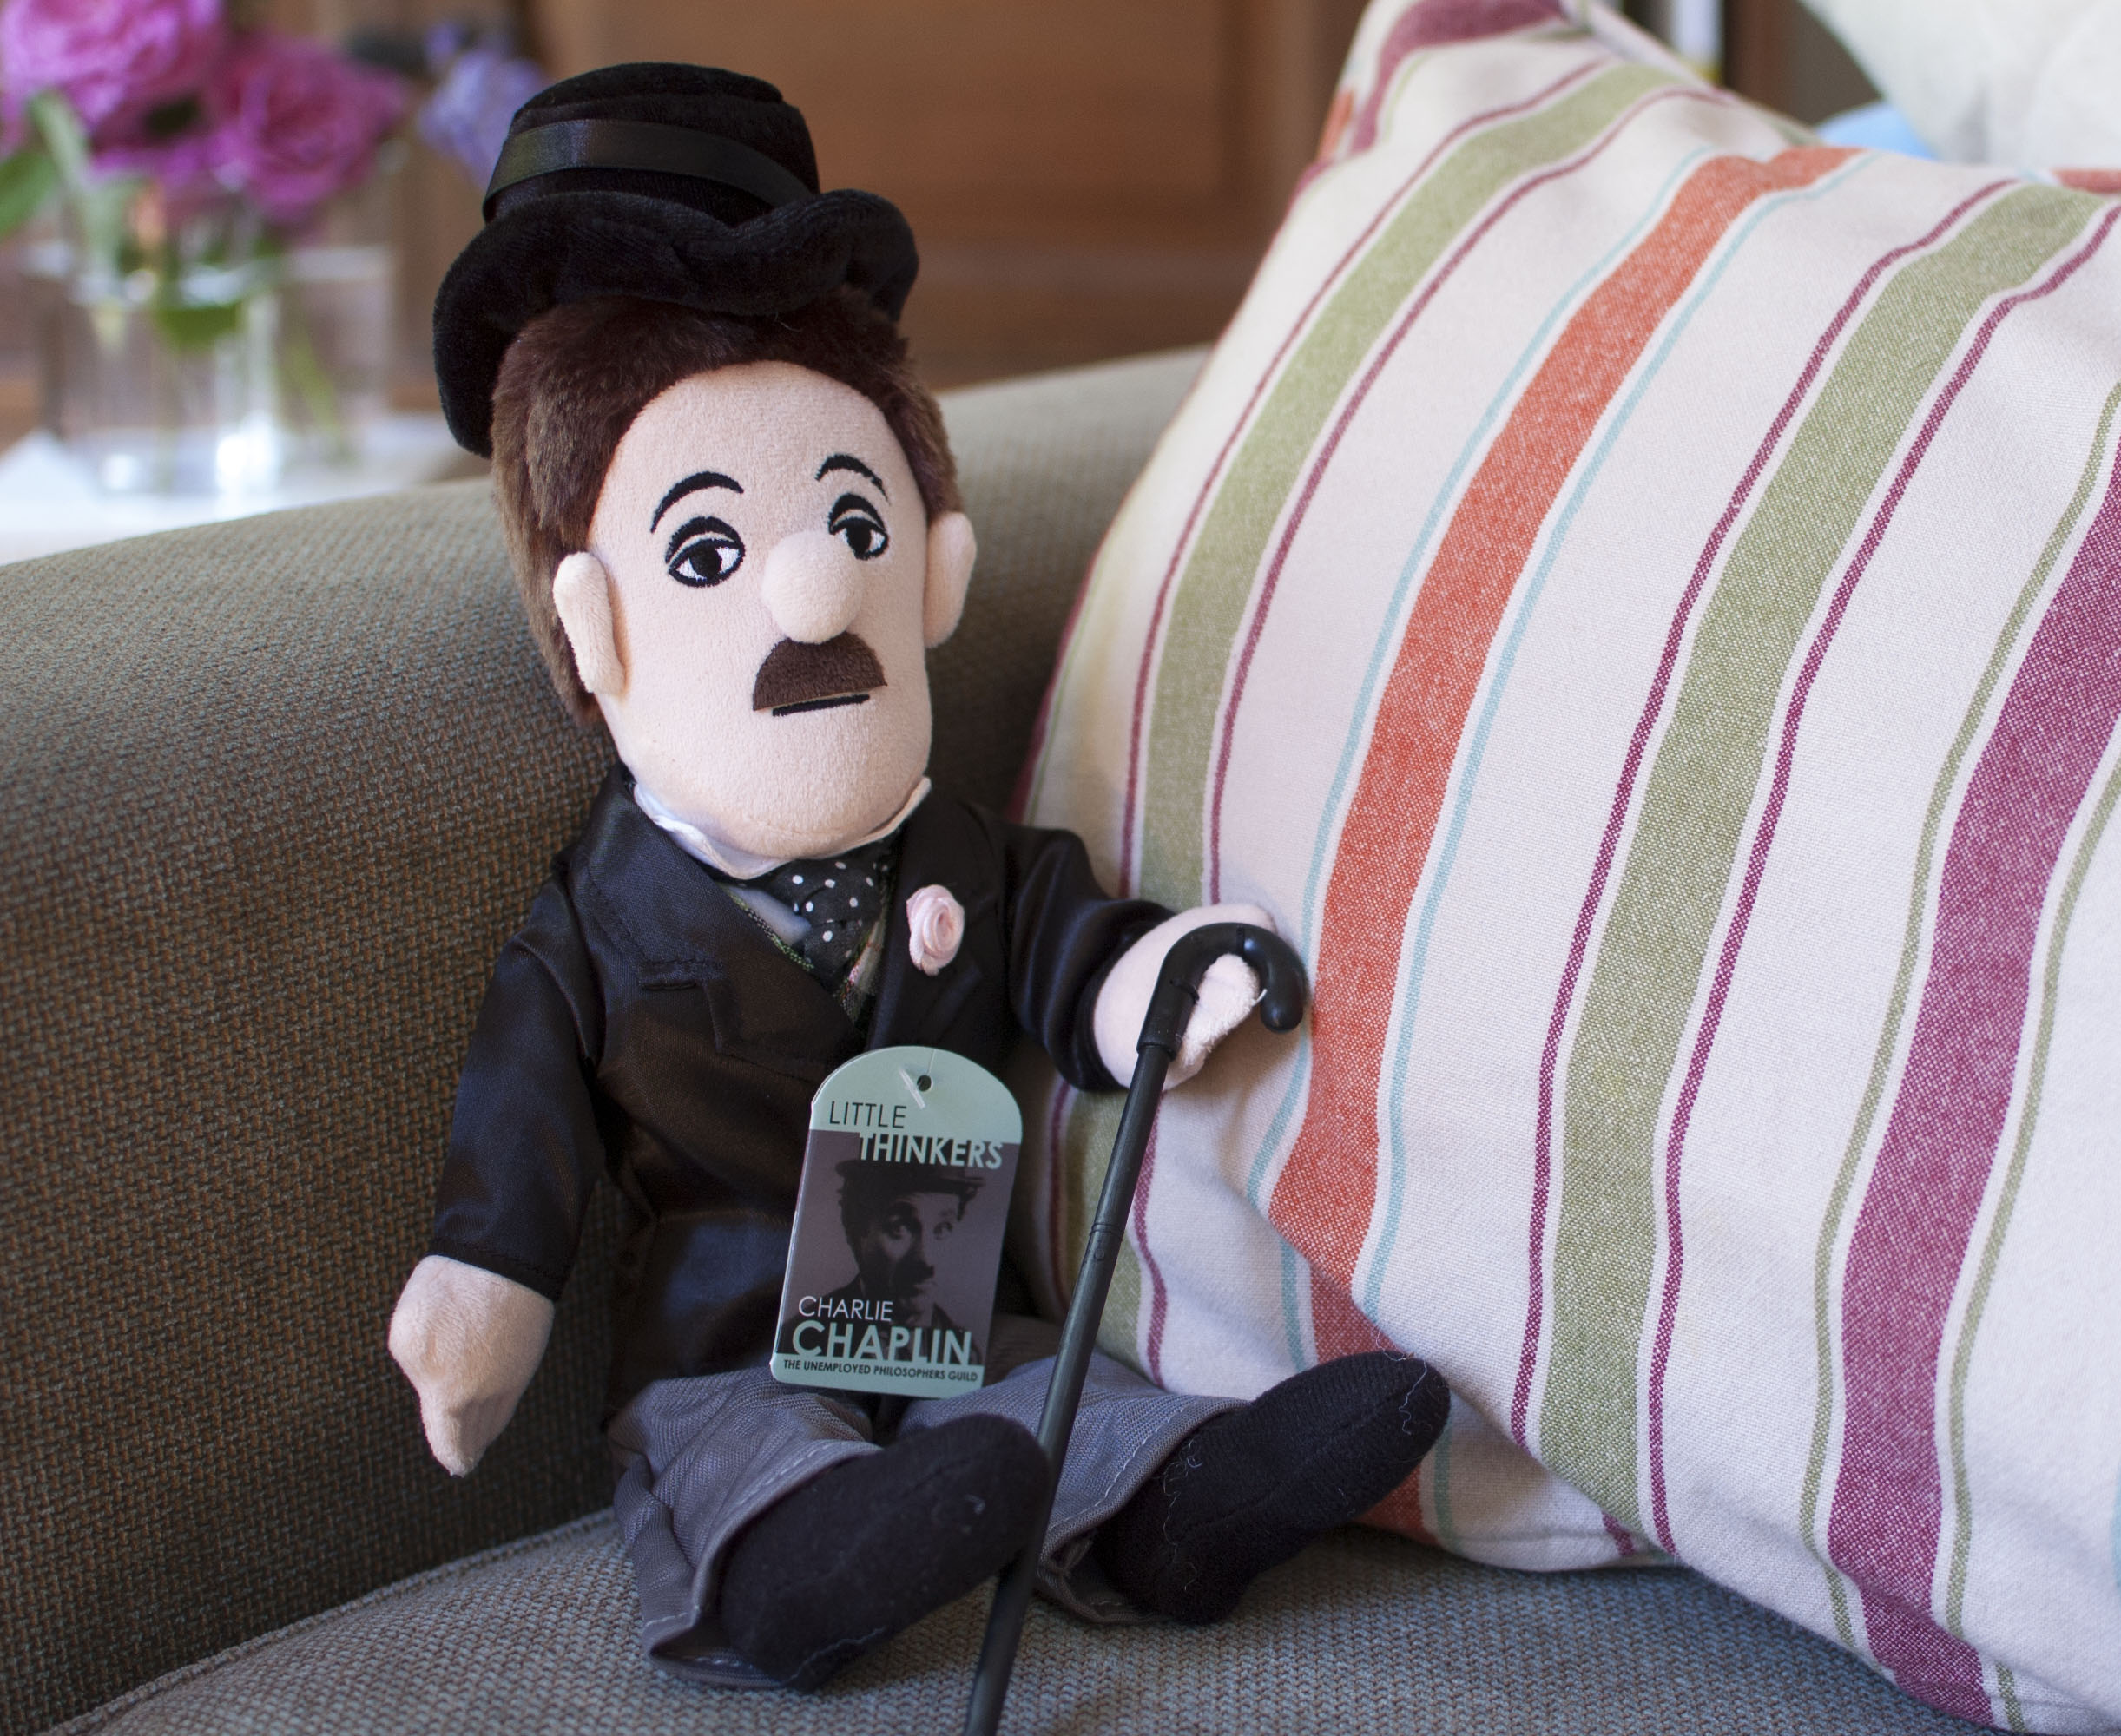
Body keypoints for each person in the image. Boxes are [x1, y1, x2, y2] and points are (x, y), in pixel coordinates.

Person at [380, 62, 1451, 1693]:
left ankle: (1180, 1506)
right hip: (724, 1342)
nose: (816, 587)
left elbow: (1069, 945)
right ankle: (810, 1565)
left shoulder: (962, 850)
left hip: (952, 1310)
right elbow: (518, 1136)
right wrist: (484, 1289)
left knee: (1049, 1404)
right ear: (599, 625)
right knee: (746, 1449)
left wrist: (1153, 982)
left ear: (933, 570)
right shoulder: (595, 923)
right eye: (708, 552)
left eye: (856, 527)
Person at [820, 1158, 981, 1335]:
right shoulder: (809, 1335)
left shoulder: (962, 1347)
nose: (927, 1261)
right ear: (855, 1228)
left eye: (942, 1229)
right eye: (899, 1228)